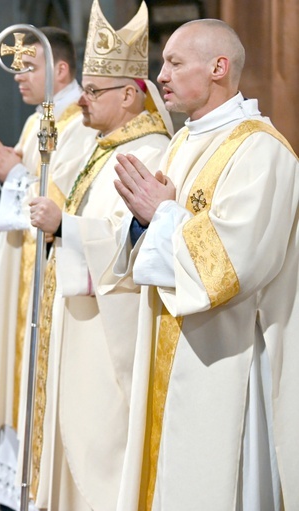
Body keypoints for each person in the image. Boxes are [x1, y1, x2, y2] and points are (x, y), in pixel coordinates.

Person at [110, 18, 299, 510]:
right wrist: (139, 224)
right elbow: (151, 235)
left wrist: (162, 214)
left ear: (218, 67)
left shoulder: (261, 150)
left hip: (225, 357)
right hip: (171, 351)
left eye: (173, 62)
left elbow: (235, 266)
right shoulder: (183, 140)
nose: (161, 76)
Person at [24, 2, 172, 509]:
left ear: (130, 95)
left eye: (94, 91)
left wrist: (64, 225)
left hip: (109, 331)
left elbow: (132, 247)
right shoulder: (102, 145)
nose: (82, 100)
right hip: (79, 320)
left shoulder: (147, 152)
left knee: (101, 448)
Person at [0, 26, 93, 511]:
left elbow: (62, 205)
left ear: (60, 69)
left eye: (27, 67)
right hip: (21, 272)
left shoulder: (79, 124)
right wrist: (7, 177)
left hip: (52, 278)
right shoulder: (40, 119)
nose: (17, 78)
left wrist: (13, 176)